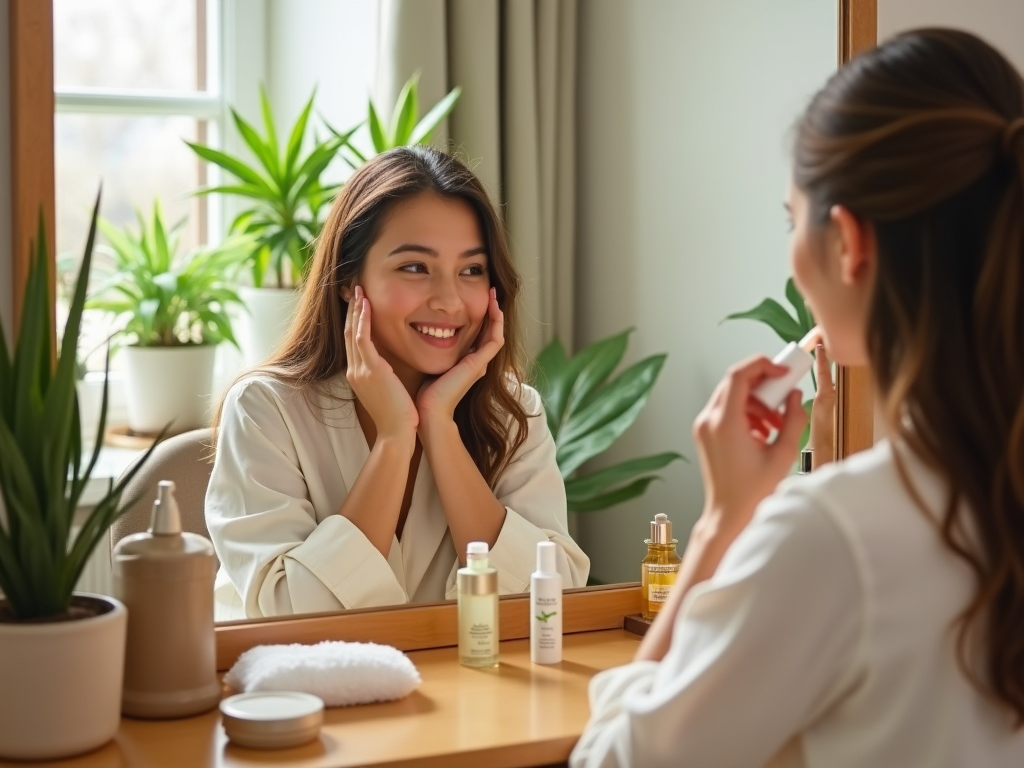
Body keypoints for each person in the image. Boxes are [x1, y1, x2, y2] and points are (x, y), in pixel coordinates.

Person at [571, 28, 1024, 767]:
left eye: (792, 219)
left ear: (847, 242)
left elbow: (614, 761)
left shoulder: (835, 538)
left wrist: (722, 523)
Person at [206, 146, 589, 620]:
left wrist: (439, 427)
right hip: (298, 690)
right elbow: (288, 616)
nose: (449, 301)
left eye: (471, 270)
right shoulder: (266, 409)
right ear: (348, 281)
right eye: (415, 267)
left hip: (464, 688)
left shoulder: (512, 412)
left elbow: (551, 603)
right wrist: (394, 438)